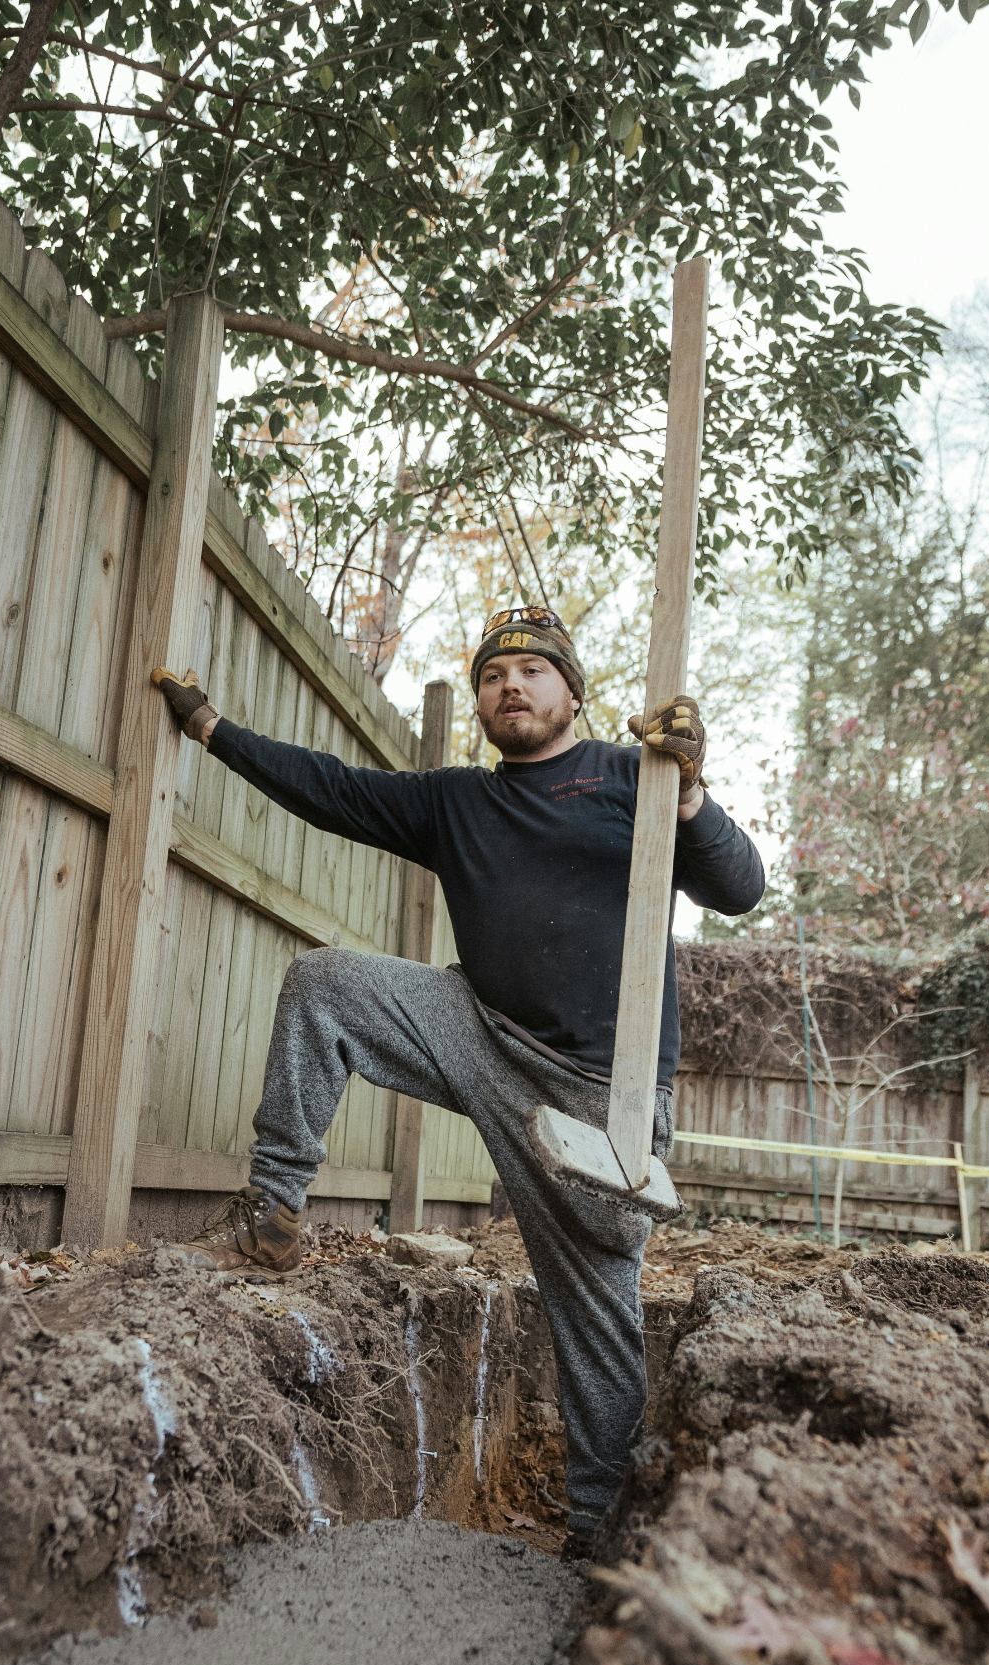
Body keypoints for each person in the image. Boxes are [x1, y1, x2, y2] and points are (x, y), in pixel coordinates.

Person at [155, 607, 764, 1558]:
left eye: (531, 670)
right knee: (328, 983)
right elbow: (331, 790)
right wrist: (210, 729)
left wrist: (688, 792)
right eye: (492, 676)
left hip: (601, 1106)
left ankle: (600, 1534)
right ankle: (271, 1212)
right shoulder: (457, 802)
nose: (509, 686)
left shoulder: (629, 779)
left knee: (598, 1314)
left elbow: (741, 888)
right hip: (480, 1033)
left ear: (572, 692)